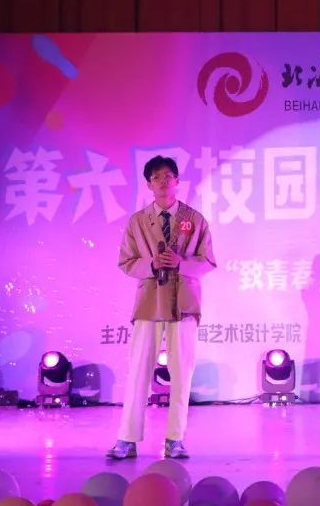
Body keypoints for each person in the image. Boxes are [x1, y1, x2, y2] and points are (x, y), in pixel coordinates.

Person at [106, 155, 216, 460]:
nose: (163, 182)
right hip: (149, 302)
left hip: (184, 302)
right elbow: (126, 262)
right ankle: (127, 439)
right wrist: (151, 263)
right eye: (156, 177)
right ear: (148, 185)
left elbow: (208, 262)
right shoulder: (138, 221)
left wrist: (181, 263)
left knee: (182, 373)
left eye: (168, 176)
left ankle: (175, 439)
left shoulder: (194, 220)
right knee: (139, 370)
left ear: (177, 181)